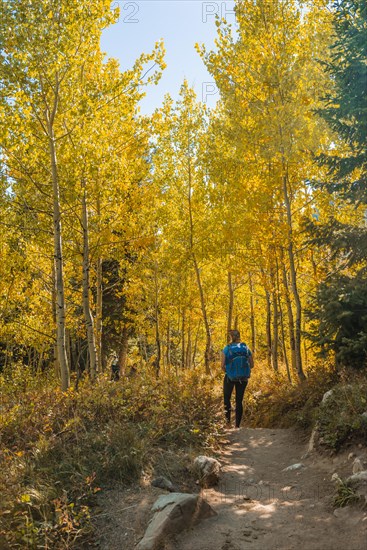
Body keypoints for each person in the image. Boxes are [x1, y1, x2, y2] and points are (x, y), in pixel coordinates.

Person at [221, 329, 254, 429]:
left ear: (231, 337)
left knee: (227, 399)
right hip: (243, 378)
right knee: (239, 401)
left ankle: (228, 424)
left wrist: (230, 371)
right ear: (239, 336)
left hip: (230, 377)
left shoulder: (227, 348)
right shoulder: (246, 348)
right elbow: (252, 365)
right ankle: (237, 426)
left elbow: (222, 366)